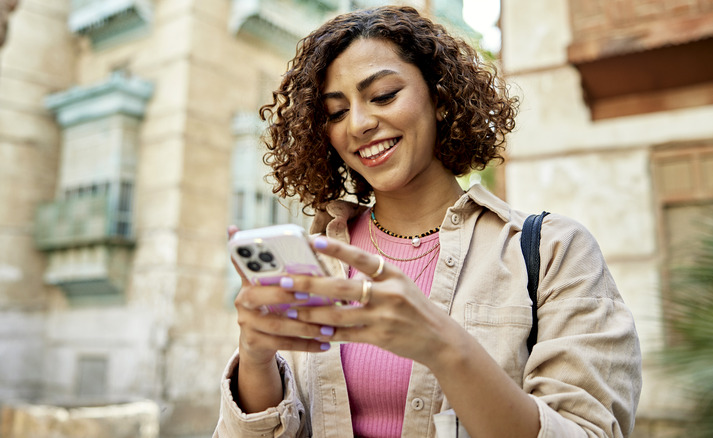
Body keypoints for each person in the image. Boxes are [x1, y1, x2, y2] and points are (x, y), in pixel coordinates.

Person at [215, 6, 641, 438]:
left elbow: (589, 431)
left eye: (382, 95)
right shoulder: (318, 262)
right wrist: (255, 357)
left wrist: (441, 344)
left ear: (439, 99)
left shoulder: (552, 252)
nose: (359, 124)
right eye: (337, 113)